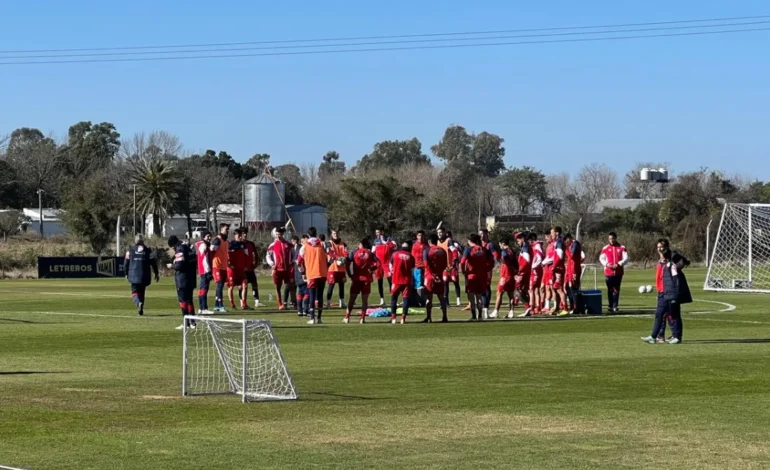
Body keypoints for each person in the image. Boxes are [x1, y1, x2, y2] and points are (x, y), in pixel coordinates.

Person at [642, 243, 691, 344]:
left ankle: (676, 336)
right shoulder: (663, 264)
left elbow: (676, 280)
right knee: (660, 314)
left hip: (671, 294)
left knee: (674, 314)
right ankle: (654, 336)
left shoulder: (671, 266)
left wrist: (676, 294)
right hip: (664, 293)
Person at [297, 227, 329, 324]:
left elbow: (299, 261)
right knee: (320, 296)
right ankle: (319, 318)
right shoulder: (323, 244)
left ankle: (312, 318)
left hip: (311, 273)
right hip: (322, 273)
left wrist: (302, 272)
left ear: (308, 234)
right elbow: (330, 257)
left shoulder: (305, 246)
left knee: (311, 295)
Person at [345, 238, 379, 324]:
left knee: (352, 299)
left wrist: (349, 274)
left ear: (361, 244)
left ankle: (347, 317)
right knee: (364, 300)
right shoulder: (370, 254)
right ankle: (362, 318)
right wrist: (372, 269)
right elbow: (378, 263)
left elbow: (347, 262)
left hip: (356, 278)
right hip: (366, 279)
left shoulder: (355, 252)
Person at [461, 233, 495, 321]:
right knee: (479, 296)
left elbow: (462, 261)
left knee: (471, 296)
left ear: (470, 241)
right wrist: (487, 269)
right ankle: (480, 316)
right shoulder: (484, 250)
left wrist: (463, 271)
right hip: (482, 275)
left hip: (471, 275)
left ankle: (473, 316)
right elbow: (492, 261)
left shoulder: (468, 250)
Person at [123, 234, 159, 316]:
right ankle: (141, 310)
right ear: (143, 241)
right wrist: (156, 273)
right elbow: (153, 263)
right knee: (142, 292)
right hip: (144, 275)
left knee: (134, 292)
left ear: (135, 241)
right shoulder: (148, 251)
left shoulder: (130, 250)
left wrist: (126, 273)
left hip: (133, 275)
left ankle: (138, 302)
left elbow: (126, 263)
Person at [169, 235, 197, 330]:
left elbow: (179, 265)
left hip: (182, 279)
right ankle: (192, 322)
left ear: (173, 245)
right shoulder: (188, 247)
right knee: (189, 300)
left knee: (183, 301)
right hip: (191, 277)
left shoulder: (180, 248)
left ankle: (186, 323)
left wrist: (172, 265)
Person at [600, 232, 629, 313]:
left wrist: (619, 264)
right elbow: (601, 258)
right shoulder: (605, 248)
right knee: (610, 289)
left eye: (613, 238)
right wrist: (607, 264)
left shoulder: (621, 247)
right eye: (610, 239)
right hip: (608, 272)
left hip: (618, 272)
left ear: (616, 238)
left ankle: (615, 306)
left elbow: (626, 258)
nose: (611, 240)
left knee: (616, 289)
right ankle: (610, 305)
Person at [266, 227, 294, 311]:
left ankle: (293, 302)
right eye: (277, 234)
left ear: (283, 234)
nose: (278, 236)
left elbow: (293, 254)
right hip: (277, 270)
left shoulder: (288, 244)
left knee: (290, 285)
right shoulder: (272, 245)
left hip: (287, 269)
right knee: (277, 287)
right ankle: (280, 304)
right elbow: (268, 256)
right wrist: (272, 264)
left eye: (280, 234)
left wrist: (292, 262)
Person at [423, 233, 449, 323]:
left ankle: (429, 317)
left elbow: (426, 264)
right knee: (441, 297)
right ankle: (445, 316)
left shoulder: (427, 250)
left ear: (429, 241)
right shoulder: (442, 251)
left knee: (428, 298)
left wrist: (432, 275)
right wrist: (438, 274)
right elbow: (445, 264)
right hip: (440, 276)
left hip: (430, 277)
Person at [544, 226, 569, 316]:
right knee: (554, 288)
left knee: (559, 289)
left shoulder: (559, 242)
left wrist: (554, 265)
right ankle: (557, 307)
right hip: (554, 269)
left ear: (557, 233)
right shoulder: (555, 243)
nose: (551, 235)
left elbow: (560, 255)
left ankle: (565, 308)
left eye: (552, 233)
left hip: (558, 269)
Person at [491, 237, 518, 319]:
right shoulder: (512, 251)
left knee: (499, 293)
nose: (500, 246)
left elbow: (505, 258)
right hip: (512, 275)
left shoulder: (504, 252)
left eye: (500, 245)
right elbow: (516, 263)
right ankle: (511, 311)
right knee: (511, 294)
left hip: (505, 275)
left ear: (502, 244)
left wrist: (504, 262)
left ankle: (496, 311)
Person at [389, 241, 415, 325]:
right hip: (407, 281)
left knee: (393, 298)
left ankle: (393, 318)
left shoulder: (395, 254)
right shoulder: (411, 256)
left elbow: (390, 265)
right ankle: (403, 318)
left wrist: (392, 272)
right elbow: (412, 269)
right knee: (405, 299)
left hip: (396, 280)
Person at [325, 229, 349, 309]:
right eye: (334, 233)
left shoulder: (344, 244)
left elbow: (346, 253)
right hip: (332, 268)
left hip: (341, 268)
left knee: (341, 286)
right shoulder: (328, 243)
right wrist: (338, 258)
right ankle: (328, 303)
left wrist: (344, 259)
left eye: (337, 233)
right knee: (331, 286)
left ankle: (341, 302)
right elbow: (330, 253)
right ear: (332, 234)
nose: (336, 234)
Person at [373, 228, 397, 306]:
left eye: (379, 232)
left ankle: (393, 299)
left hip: (387, 263)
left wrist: (385, 242)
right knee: (380, 282)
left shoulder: (389, 239)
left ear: (382, 232)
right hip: (379, 264)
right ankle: (382, 299)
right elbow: (372, 251)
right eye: (376, 233)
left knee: (390, 281)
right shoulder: (375, 241)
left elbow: (394, 246)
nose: (378, 234)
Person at [240, 226, 263, 309]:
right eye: (243, 233)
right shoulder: (238, 244)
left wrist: (255, 263)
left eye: (246, 233)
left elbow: (255, 254)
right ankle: (242, 302)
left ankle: (257, 301)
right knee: (242, 286)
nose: (245, 235)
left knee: (254, 284)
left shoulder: (251, 244)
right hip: (242, 269)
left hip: (250, 268)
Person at [210, 223, 230, 312]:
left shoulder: (226, 241)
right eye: (226, 229)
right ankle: (220, 305)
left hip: (224, 266)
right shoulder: (217, 240)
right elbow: (211, 251)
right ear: (221, 229)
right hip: (217, 266)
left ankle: (216, 305)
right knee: (220, 285)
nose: (228, 230)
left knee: (220, 286)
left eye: (228, 229)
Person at [563, 233, 585, 314]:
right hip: (569, 269)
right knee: (568, 288)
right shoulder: (570, 246)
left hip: (574, 269)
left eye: (566, 240)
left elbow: (572, 256)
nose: (565, 243)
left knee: (573, 287)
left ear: (569, 238)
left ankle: (577, 307)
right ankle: (572, 306)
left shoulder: (575, 244)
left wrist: (566, 250)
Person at [227, 230, 248, 310]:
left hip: (241, 269)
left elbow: (246, 255)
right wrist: (228, 264)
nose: (240, 237)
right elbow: (226, 255)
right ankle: (232, 303)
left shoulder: (243, 245)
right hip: (232, 269)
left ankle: (244, 304)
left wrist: (246, 265)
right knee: (231, 286)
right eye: (238, 235)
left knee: (245, 285)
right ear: (235, 235)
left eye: (241, 235)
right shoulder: (231, 244)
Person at [479, 228, 499, 313]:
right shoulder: (479, 244)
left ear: (486, 234)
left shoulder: (490, 245)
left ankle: (486, 305)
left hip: (487, 268)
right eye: (480, 234)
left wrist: (494, 264)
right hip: (480, 268)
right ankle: (483, 304)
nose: (481, 236)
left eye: (483, 234)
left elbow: (496, 255)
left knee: (486, 285)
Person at [194, 230, 213, 314]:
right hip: (205, 270)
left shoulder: (203, 245)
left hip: (203, 270)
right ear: (203, 237)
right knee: (204, 289)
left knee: (203, 289)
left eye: (210, 236)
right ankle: (203, 308)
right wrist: (208, 271)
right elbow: (204, 259)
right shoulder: (204, 245)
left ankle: (202, 308)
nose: (209, 238)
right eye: (207, 236)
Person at [514, 232, 533, 317]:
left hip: (523, 272)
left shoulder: (525, 247)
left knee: (517, 291)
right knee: (524, 290)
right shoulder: (526, 246)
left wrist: (519, 270)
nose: (518, 243)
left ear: (522, 238)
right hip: (526, 271)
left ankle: (528, 307)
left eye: (518, 240)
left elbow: (527, 260)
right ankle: (528, 308)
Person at [291, 235, 310, 317]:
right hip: (303, 273)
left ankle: (300, 310)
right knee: (306, 293)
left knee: (300, 292)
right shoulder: (303, 249)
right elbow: (299, 262)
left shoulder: (296, 248)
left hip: (297, 273)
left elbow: (295, 261)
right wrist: (303, 273)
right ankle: (305, 310)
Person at [527, 232, 544, 316]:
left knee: (531, 289)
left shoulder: (537, 245)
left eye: (529, 240)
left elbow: (540, 256)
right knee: (536, 289)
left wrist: (533, 266)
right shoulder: (535, 246)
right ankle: (538, 307)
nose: (528, 242)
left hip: (535, 270)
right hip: (536, 270)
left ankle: (532, 308)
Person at [411, 230, 428, 305]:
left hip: (425, 268)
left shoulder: (426, 245)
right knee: (418, 284)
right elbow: (412, 256)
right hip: (417, 267)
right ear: (416, 236)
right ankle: (418, 301)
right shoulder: (415, 245)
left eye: (421, 235)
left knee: (425, 284)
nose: (420, 237)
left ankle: (424, 300)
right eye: (419, 235)